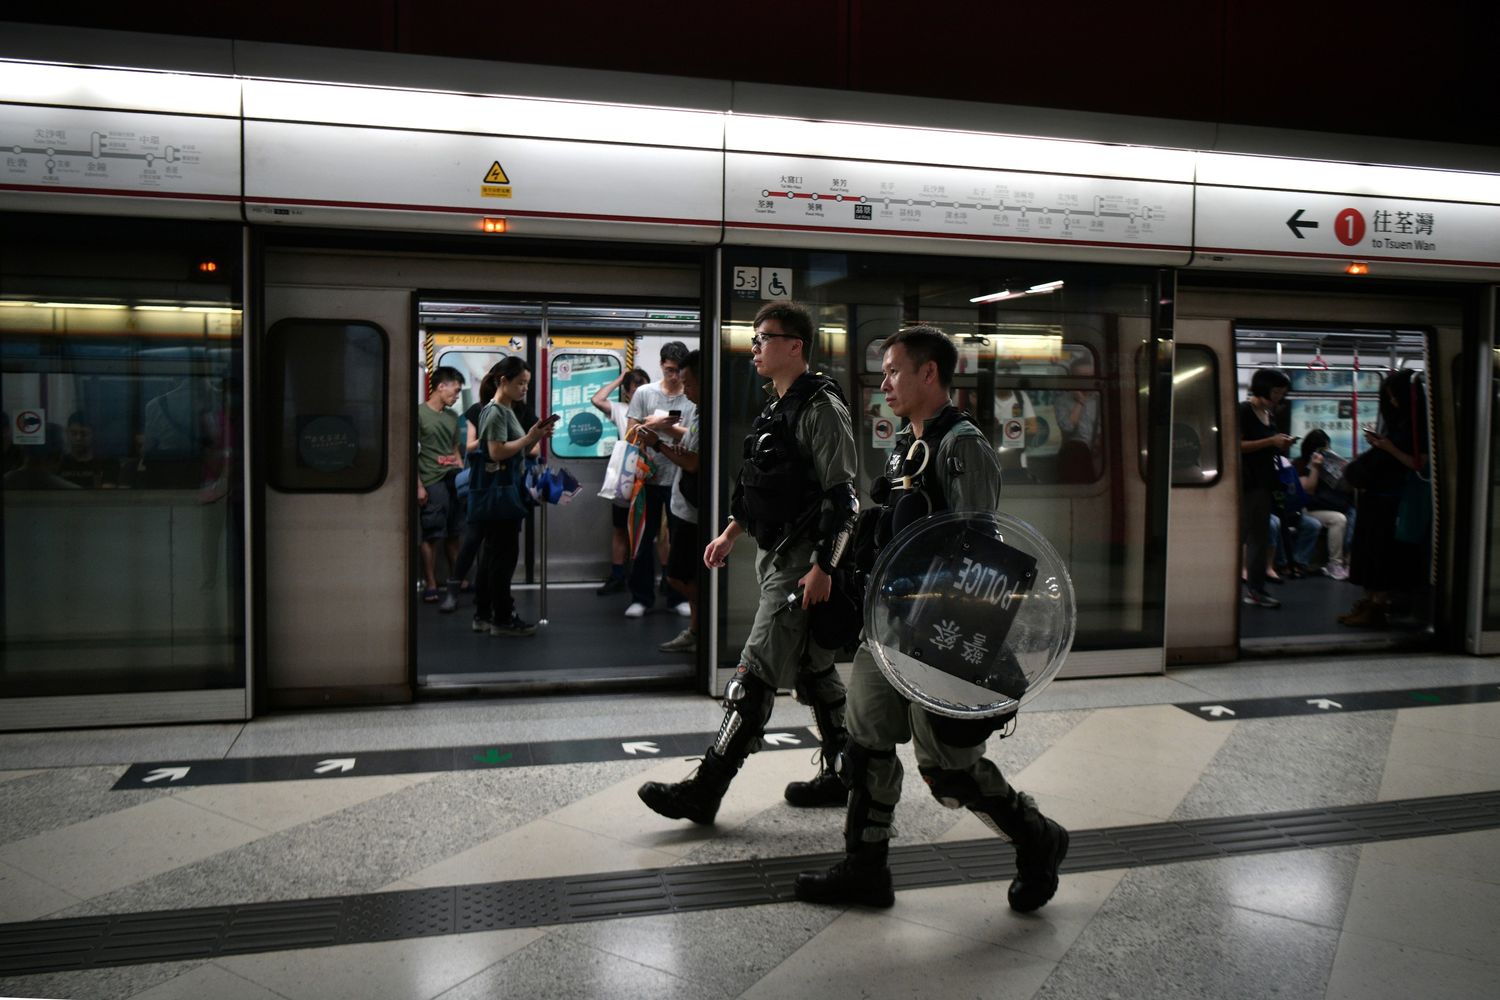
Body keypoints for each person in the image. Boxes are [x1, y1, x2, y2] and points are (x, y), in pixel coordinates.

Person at [794, 324, 1068, 912]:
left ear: (929, 373)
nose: (885, 384)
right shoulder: (905, 443)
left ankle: (1037, 837)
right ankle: (866, 870)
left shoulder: (960, 445)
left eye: (894, 371)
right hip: (888, 624)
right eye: (884, 373)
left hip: (938, 630)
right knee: (865, 743)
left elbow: (977, 547)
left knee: (948, 768)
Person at [638, 301, 858, 822]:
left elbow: (843, 498)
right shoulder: (776, 406)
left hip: (803, 563)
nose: (754, 348)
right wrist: (731, 532)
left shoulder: (821, 408)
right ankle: (845, 774)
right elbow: (762, 483)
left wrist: (825, 567)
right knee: (814, 669)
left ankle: (706, 788)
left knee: (753, 672)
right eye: (754, 339)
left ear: (795, 346)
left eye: (765, 339)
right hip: (776, 553)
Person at [473, 356, 555, 637]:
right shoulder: (496, 411)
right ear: (503, 381)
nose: (524, 389)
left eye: (527, 384)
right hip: (501, 492)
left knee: (493, 554)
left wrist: (535, 436)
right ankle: (502, 618)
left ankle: (484, 614)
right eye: (520, 383)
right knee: (503, 557)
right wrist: (530, 437)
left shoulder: (505, 409)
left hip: (504, 489)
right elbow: (496, 452)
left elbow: (516, 448)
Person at [1342, 369, 1428, 627]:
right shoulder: (1400, 422)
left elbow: (1418, 464)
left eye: (1394, 396)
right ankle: (1369, 601)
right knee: (1368, 551)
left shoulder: (1419, 426)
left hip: (1392, 498)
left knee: (1381, 554)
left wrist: (1388, 447)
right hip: (1376, 495)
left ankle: (1378, 605)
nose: (1391, 402)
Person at [623, 343, 695, 618]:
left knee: (679, 540)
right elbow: (630, 433)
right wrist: (650, 427)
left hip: (680, 477)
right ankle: (641, 597)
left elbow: (694, 436)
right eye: (669, 370)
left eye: (678, 371)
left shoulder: (691, 396)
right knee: (643, 539)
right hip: (647, 477)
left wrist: (667, 427)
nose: (674, 377)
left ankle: (678, 596)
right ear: (662, 366)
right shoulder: (645, 393)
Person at [646, 351, 702, 652]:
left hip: (693, 512)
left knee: (680, 577)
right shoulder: (695, 411)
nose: (685, 390)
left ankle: (702, 622)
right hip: (682, 505)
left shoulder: (708, 413)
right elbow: (690, 448)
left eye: (689, 384)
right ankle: (696, 628)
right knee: (683, 574)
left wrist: (657, 443)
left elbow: (693, 463)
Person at [592, 367, 651, 595]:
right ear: (627, 393)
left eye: (644, 389)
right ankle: (617, 576)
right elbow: (597, 399)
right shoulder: (621, 410)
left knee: (651, 530)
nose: (641, 395)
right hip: (625, 476)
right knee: (620, 528)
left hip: (649, 476)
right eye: (635, 390)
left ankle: (654, 577)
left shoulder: (656, 411)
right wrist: (619, 378)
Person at [1239, 369, 1293, 609]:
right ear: (1263, 388)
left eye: (1282, 393)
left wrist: (1279, 444)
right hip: (1247, 484)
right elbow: (1237, 445)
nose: (1279, 397)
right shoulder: (1244, 410)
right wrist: (1271, 441)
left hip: (1264, 482)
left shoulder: (1268, 414)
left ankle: (1256, 588)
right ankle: (1249, 589)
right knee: (1247, 537)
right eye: (1276, 392)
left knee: (1259, 539)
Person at [417, 366, 466, 605]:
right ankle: (431, 582)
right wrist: (418, 485)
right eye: (455, 390)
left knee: (454, 532)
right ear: (440, 386)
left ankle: (455, 579)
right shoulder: (419, 414)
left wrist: (463, 477)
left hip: (452, 478)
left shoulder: (452, 417)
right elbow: (411, 453)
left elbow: (454, 449)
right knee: (432, 533)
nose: (456, 396)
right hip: (431, 479)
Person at [1294, 430, 1351, 579]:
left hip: (1329, 505)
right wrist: (1315, 468)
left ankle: (1349, 561)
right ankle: (1335, 563)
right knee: (1339, 519)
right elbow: (1309, 490)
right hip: (1309, 508)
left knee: (1353, 513)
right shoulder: (1300, 464)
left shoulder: (1329, 463)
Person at [1055, 355, 1102, 482]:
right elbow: (1067, 427)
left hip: (1100, 455)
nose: (1086, 381)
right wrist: (1080, 402)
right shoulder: (1063, 401)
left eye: (1089, 377)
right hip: (1074, 457)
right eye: (1082, 377)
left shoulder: (1101, 397)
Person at [57, 411, 118, 489]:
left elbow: (107, 494)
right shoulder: (60, 462)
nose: (78, 438)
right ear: (67, 433)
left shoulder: (107, 463)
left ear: (93, 434)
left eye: (84, 434)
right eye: (74, 433)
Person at [992, 385, 1038, 473]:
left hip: (1017, 457)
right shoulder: (986, 396)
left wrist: (1014, 430)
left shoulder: (1020, 396)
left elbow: (1033, 428)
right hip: (993, 456)